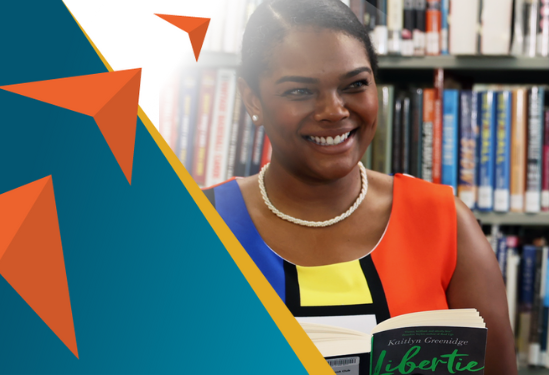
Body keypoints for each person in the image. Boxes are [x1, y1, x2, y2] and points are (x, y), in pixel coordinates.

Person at [205, 0, 516, 372]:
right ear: (251, 97)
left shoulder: (444, 220)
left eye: (355, 85)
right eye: (299, 91)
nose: (334, 110)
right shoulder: (202, 222)